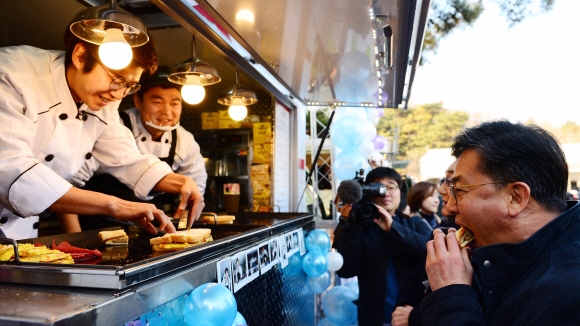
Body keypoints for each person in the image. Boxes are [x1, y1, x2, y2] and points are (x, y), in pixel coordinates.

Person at [0, 25, 207, 240]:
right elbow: (10, 169)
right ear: (80, 56)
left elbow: (125, 157)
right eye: (116, 79)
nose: (119, 95)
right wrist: (114, 205)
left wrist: (180, 182)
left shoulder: (102, 100)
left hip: (18, 230)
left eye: (129, 85)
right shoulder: (11, 77)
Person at [422, 121, 580, 325]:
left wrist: (451, 294)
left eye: (459, 191)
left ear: (515, 197)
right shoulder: (500, 260)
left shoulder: (569, 293)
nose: (450, 208)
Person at [59, 71, 208, 232]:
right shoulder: (109, 127)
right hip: (98, 226)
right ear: (137, 101)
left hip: (150, 226)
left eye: (174, 103)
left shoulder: (183, 140)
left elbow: (194, 187)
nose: (166, 111)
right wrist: (75, 238)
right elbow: (66, 185)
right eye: (157, 102)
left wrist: (180, 224)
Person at [333, 167, 432, 326]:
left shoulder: (414, 223)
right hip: (374, 318)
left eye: (391, 187)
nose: (385, 193)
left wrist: (392, 227)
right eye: (377, 188)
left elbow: (428, 251)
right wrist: (350, 223)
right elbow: (345, 270)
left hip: (413, 317)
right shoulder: (359, 228)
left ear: (400, 193)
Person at [391, 161, 458, 326]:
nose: (443, 190)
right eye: (445, 180)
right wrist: (406, 305)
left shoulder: (445, 226)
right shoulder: (418, 222)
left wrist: (414, 316)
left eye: (452, 181)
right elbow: (419, 271)